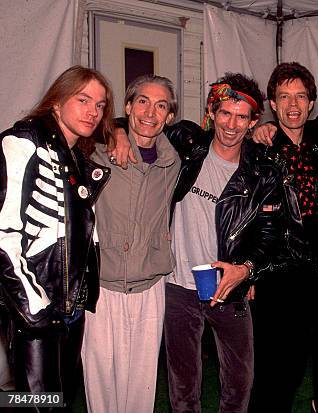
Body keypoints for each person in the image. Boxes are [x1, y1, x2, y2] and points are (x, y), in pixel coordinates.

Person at [163, 72, 282, 413]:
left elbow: (270, 236)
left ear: (253, 121)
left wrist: (246, 271)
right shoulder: (187, 147)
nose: (231, 124)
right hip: (178, 287)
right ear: (212, 112)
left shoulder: (262, 172)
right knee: (182, 386)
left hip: (229, 287)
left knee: (238, 383)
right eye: (225, 113)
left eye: (241, 116)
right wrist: (116, 132)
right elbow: (140, 121)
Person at [0, 65, 113, 407]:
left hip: (69, 308)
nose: (93, 111)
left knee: (62, 399)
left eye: (101, 104)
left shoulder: (76, 158)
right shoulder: (21, 141)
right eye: (83, 99)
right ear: (56, 102)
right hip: (33, 311)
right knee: (36, 402)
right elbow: (4, 235)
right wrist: (35, 308)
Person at [81, 74, 180, 413]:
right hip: (103, 285)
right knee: (100, 380)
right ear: (127, 107)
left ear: (169, 116)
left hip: (150, 286)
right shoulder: (98, 152)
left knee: (142, 385)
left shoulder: (174, 162)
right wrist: (115, 130)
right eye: (142, 101)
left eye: (161, 105)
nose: (150, 112)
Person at [248, 62, 318, 413]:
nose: (293, 105)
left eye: (301, 96)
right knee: (274, 372)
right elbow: (245, 213)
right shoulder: (259, 148)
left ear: (312, 102)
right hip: (275, 272)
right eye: (284, 97)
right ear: (272, 103)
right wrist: (250, 270)